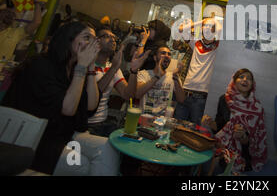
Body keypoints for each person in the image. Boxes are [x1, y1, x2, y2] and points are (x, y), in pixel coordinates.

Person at [1, 21, 120, 175]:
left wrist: (90, 69)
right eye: (86, 38)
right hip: (34, 137)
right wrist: (82, 68)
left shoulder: (74, 69)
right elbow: (68, 109)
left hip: (63, 133)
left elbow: (90, 106)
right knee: (79, 163)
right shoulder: (41, 65)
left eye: (93, 40)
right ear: (69, 39)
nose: (92, 44)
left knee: (108, 147)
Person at [87, 27, 150, 137]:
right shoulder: (86, 63)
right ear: (96, 41)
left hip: (103, 122)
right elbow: (91, 97)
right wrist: (114, 67)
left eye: (114, 38)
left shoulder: (112, 67)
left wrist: (134, 71)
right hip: (85, 123)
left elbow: (128, 95)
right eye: (106, 36)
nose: (112, 40)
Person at [201, 69, 268, 174]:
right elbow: (219, 128)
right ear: (234, 81)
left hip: (244, 155)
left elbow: (255, 141)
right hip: (223, 147)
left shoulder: (257, 108)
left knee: (219, 166)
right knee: (204, 161)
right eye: (241, 77)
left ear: (252, 85)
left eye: (249, 78)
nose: (245, 80)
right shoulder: (224, 99)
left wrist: (242, 136)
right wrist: (209, 122)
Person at [174, 15, 222, 125]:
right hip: (185, 92)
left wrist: (212, 21)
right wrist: (201, 21)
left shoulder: (217, 46)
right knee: (176, 127)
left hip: (201, 97)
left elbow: (220, 29)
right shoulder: (196, 43)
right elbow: (181, 29)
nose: (207, 29)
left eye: (210, 27)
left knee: (194, 131)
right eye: (205, 26)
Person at [135, 45, 185, 116]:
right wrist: (157, 77)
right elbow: (137, 94)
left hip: (162, 120)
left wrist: (176, 79)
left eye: (169, 54)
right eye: (163, 53)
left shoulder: (172, 76)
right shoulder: (144, 74)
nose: (167, 56)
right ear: (155, 58)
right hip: (145, 117)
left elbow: (181, 99)